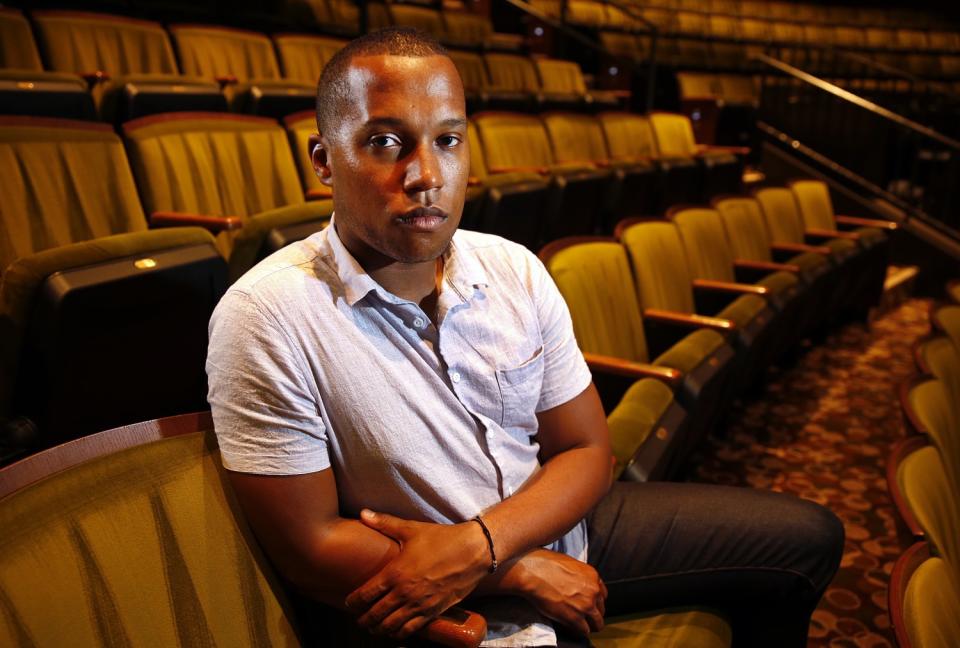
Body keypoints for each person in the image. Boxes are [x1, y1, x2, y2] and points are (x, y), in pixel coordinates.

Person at [206, 27, 843, 648]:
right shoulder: (266, 314)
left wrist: (486, 544)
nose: (426, 174)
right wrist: (513, 569)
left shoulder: (513, 267)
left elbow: (588, 448)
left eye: (447, 140)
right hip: (439, 586)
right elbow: (310, 548)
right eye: (386, 142)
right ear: (323, 159)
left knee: (807, 537)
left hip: (553, 526)